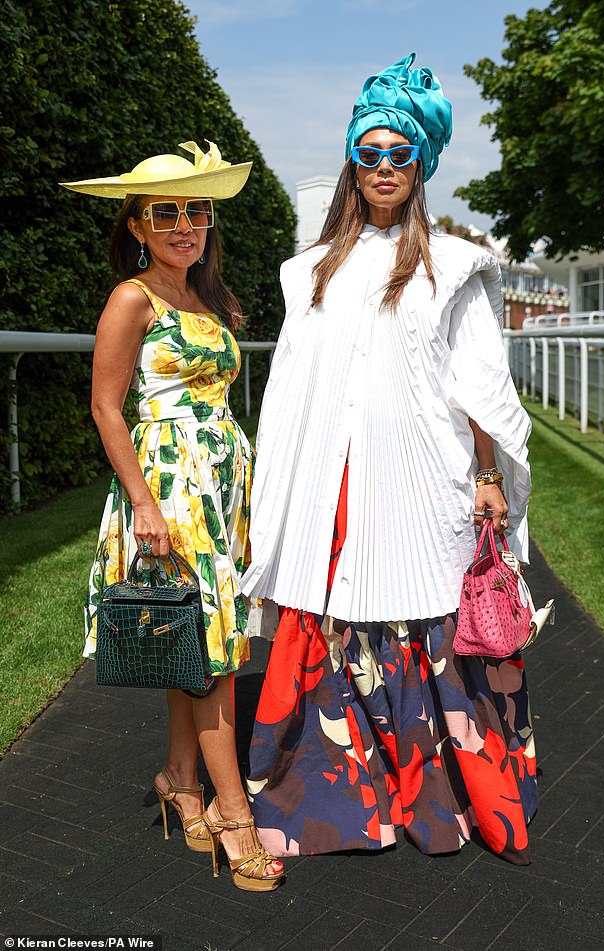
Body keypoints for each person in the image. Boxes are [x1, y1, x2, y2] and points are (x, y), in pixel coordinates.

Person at [242, 55, 537, 866]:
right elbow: (291, 392)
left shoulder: (453, 265)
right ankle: (332, 801)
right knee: (335, 605)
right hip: (333, 486)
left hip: (420, 475)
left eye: (398, 155)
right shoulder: (309, 271)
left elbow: (480, 384)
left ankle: (433, 794)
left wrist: (487, 478)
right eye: (367, 154)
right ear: (351, 162)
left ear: (420, 166)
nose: (381, 169)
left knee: (416, 600)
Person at [62, 139, 283, 891]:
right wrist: (144, 503)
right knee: (215, 649)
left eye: (198, 209)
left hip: (219, 484)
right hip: (170, 488)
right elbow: (105, 406)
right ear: (137, 225)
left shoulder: (209, 298)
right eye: (167, 212)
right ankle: (233, 812)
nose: (186, 224)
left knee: (190, 629)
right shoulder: (134, 298)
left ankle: (179, 780)